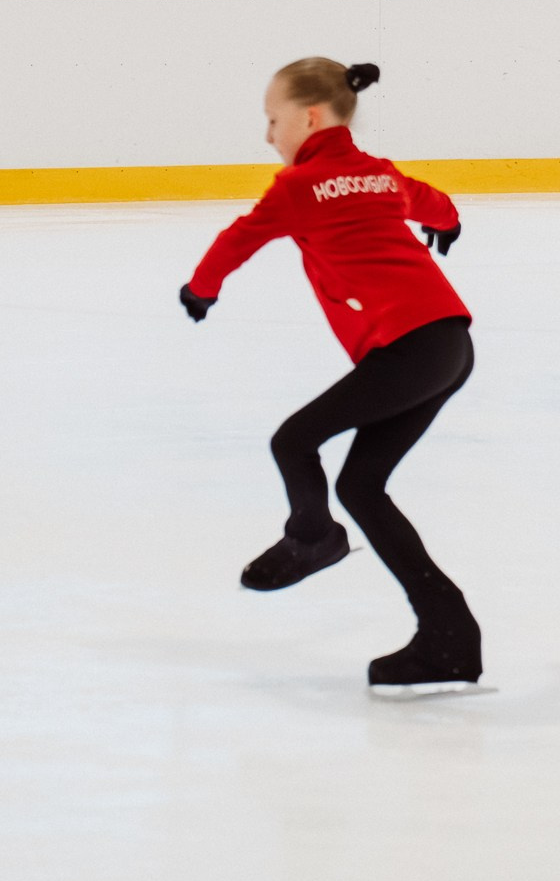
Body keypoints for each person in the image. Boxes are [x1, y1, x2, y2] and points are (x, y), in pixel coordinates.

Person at [179, 58, 480, 694]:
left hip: (407, 349)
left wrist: (200, 289)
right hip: (449, 342)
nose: (267, 136)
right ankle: (449, 638)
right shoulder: (377, 174)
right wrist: (447, 222)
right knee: (363, 487)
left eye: (272, 120)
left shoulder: (297, 186)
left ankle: (312, 539)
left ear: (310, 117)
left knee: (293, 442)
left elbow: (240, 238)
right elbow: (431, 200)